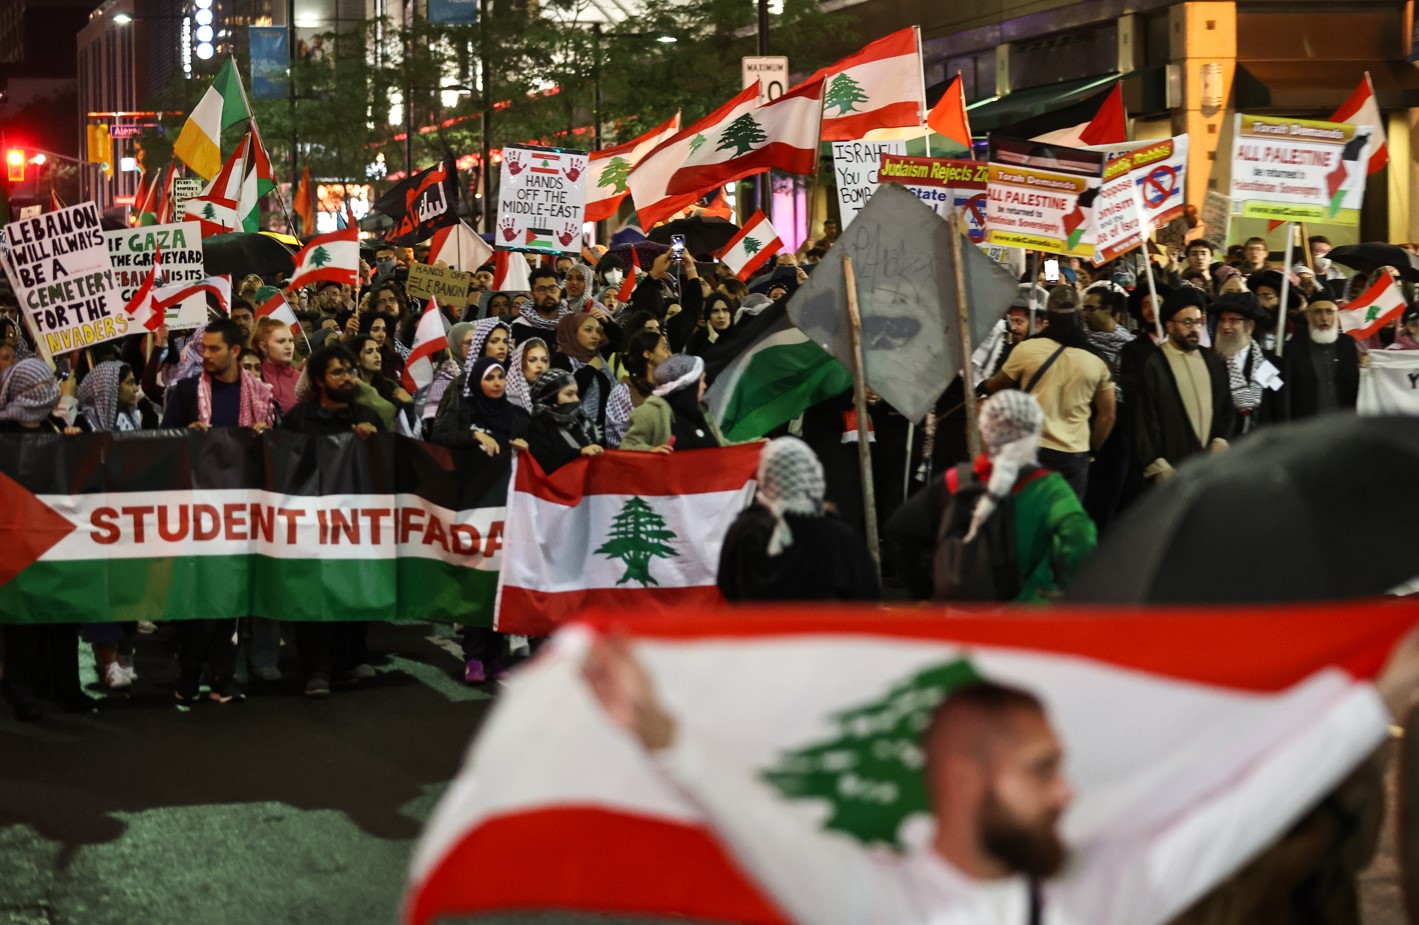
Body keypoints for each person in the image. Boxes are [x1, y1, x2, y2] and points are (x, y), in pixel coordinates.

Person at [582, 640, 1072, 925]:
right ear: (964, 780)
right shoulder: (870, 900)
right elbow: (760, 824)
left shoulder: (1076, 894)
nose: (1064, 792)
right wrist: (659, 731)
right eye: (1041, 769)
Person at [888, 390, 1097, 603]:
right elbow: (1081, 535)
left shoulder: (956, 479)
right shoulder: (1048, 488)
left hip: (958, 612)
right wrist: (1066, 584)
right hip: (1024, 613)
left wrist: (924, 587)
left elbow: (900, 529)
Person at [280, 345, 385, 697]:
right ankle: (316, 670)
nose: (348, 378)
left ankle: (347, 660)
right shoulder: (298, 420)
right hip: (311, 523)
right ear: (320, 379)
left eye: (351, 370)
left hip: (354, 524)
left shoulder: (368, 416)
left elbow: (390, 469)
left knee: (350, 591)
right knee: (314, 596)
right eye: (338, 372)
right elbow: (283, 466)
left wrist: (374, 443)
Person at [0, 359, 94, 720]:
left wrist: (73, 446)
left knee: (63, 616)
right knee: (25, 622)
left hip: (57, 541)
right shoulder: (5, 433)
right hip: (19, 544)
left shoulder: (56, 426)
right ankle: (23, 691)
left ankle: (66, 686)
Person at [982, 290, 1114, 499]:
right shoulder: (1097, 360)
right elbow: (1107, 415)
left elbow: (995, 386)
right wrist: (1092, 450)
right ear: (1079, 314)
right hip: (1073, 455)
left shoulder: (1027, 349)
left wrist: (980, 384)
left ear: (1049, 316)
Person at [717, 436, 879, 602]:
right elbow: (865, 594)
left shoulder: (744, 528)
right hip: (825, 627)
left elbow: (727, 585)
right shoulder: (840, 535)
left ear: (765, 475)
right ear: (813, 474)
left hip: (760, 626)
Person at [1134, 295, 1233, 485]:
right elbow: (1145, 420)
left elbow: (1224, 405)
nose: (1194, 328)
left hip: (1212, 464)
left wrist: (1220, 439)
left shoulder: (1210, 359)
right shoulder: (1154, 364)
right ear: (1169, 326)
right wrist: (1158, 465)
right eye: (1187, 322)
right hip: (1173, 470)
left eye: (1198, 322)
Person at [620, 353, 726, 452]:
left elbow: (726, 448)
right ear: (690, 385)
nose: (705, 386)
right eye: (702, 380)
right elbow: (627, 447)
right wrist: (650, 452)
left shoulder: (702, 412)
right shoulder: (650, 413)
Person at [553, 312, 631, 445]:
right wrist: (589, 369)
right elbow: (563, 396)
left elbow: (622, 341)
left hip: (605, 435)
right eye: (588, 330)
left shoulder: (599, 356)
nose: (595, 336)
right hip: (576, 437)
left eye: (598, 331)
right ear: (572, 332)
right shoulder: (561, 359)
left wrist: (606, 322)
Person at [1278, 299, 1360, 420]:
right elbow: (1286, 393)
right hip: (1306, 425)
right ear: (1308, 316)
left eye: (1329, 312)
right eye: (1317, 312)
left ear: (1337, 316)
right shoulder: (1293, 347)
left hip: (1344, 423)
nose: (1324, 318)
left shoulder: (1347, 343)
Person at [430, 356, 529, 456]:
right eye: (489, 378)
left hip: (506, 469)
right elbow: (439, 437)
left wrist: (525, 446)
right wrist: (474, 435)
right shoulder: (463, 408)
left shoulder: (519, 415)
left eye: (501, 377)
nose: (497, 383)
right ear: (477, 382)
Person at [1211, 292, 1278, 435]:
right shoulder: (1211, 360)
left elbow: (1276, 401)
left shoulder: (1268, 361)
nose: (1225, 326)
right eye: (1222, 320)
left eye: (1233, 320)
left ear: (1250, 326)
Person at [522, 367, 605, 475]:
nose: (576, 399)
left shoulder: (582, 419)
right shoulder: (539, 426)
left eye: (576, 393)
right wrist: (579, 455)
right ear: (550, 397)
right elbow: (544, 466)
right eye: (569, 394)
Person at [252, 317, 301, 414]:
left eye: (291, 340)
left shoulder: (301, 378)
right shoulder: (254, 376)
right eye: (281, 341)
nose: (288, 346)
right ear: (264, 347)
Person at [509, 267, 570, 344]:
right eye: (542, 289)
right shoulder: (519, 327)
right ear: (532, 294)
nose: (548, 294)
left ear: (559, 291)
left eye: (552, 288)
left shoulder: (570, 324)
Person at [506, 337, 550, 413]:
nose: (539, 365)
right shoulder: (509, 399)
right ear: (520, 364)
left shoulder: (552, 394)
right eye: (532, 360)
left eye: (544, 360)